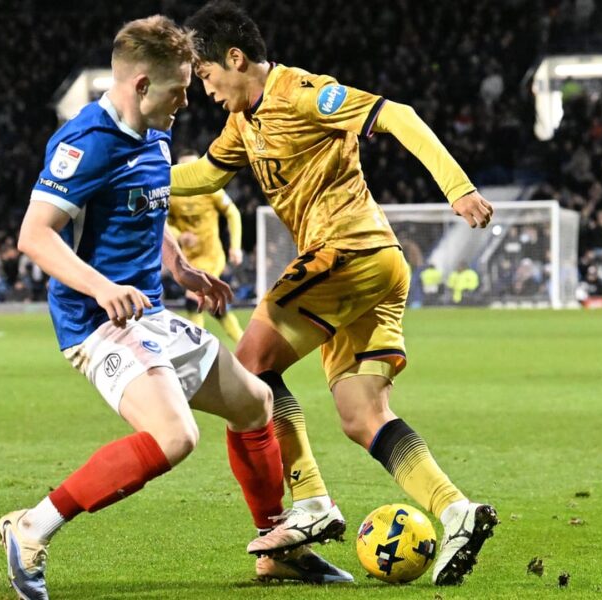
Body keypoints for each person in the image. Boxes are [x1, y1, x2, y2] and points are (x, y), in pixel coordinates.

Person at [0, 17, 337, 600]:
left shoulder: (154, 132)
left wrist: (179, 267)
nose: (189, 97)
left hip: (147, 314)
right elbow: (35, 235)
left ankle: (276, 545)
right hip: (97, 325)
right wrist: (102, 287)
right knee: (174, 437)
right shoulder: (85, 143)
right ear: (139, 86)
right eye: (179, 87)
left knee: (254, 403)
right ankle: (32, 527)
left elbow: (142, 210)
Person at [176, 1, 498, 585]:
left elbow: (396, 114)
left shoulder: (300, 93)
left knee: (248, 372)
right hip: (373, 269)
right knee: (362, 414)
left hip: (347, 253)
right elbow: (202, 175)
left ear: (235, 57)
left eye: (204, 74)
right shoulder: (242, 123)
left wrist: (458, 188)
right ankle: (457, 512)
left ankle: (312, 500)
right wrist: (127, 176)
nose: (204, 89)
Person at [166, 149, 245, 341]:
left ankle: (196, 349)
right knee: (214, 306)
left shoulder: (212, 189)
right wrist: (180, 235)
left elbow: (233, 213)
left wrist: (235, 246)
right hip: (187, 259)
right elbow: (162, 222)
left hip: (212, 256)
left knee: (194, 300)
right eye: (186, 168)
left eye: (195, 166)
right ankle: (245, 347)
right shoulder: (171, 193)